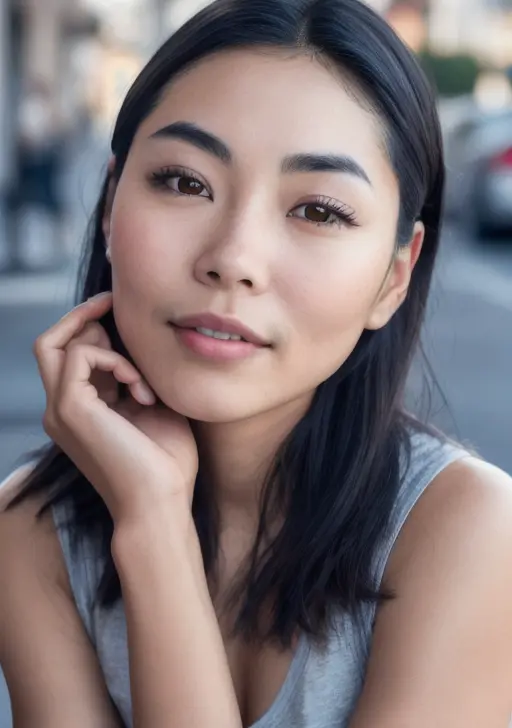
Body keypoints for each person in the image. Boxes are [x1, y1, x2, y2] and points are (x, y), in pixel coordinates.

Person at [1, 0, 512, 726]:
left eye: (319, 211)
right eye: (185, 182)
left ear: (395, 276)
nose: (234, 259)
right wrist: (151, 517)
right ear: (111, 207)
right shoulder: (34, 533)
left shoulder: (468, 535)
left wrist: (154, 531)